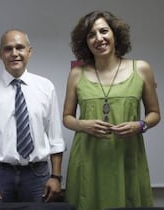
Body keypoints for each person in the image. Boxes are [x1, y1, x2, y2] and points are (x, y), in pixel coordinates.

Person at [63, 10, 161, 210]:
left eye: (103, 31)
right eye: (91, 35)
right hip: (87, 160)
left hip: (126, 156)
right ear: (85, 42)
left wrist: (140, 125)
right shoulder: (76, 73)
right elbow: (67, 118)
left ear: (115, 34)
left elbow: (155, 114)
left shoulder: (141, 69)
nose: (98, 38)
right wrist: (83, 125)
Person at [0, 29, 66, 203]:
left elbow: (55, 139)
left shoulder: (46, 87)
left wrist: (56, 177)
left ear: (30, 51)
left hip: (37, 175)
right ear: (0, 54)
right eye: (8, 49)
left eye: (20, 47)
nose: (14, 53)